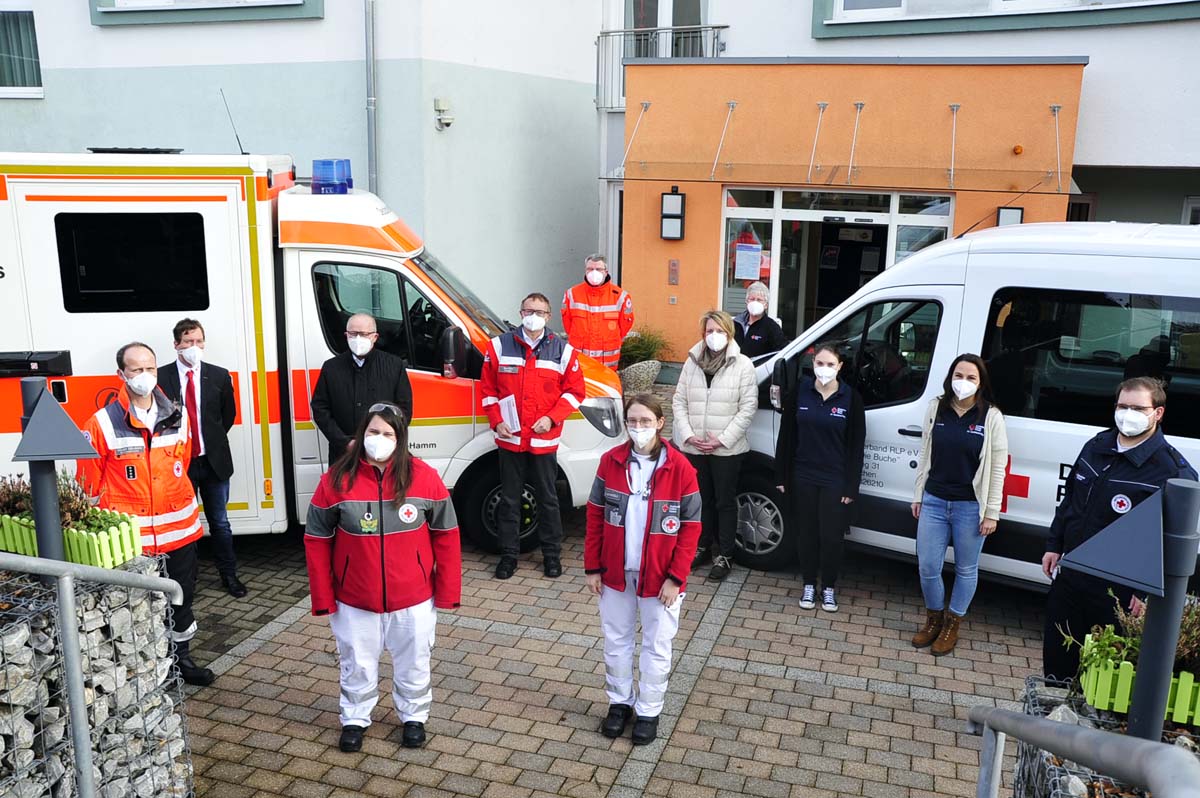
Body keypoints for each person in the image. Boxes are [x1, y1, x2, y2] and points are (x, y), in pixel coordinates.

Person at [304, 403, 461, 752]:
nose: (379, 439)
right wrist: (323, 597)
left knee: (415, 660)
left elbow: (447, 534)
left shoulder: (425, 477)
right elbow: (316, 541)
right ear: (361, 435)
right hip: (355, 598)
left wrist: (447, 591)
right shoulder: (335, 481)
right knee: (355, 663)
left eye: (388, 433)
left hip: (415, 597)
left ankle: (414, 717)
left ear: (400, 438)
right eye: (373, 432)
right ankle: (355, 719)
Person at [1041, 377, 1196, 681]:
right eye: (1123, 406)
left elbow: (1171, 541)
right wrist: (1054, 543)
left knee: (1103, 675)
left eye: (1138, 408)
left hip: (1117, 592)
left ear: (1158, 413)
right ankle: (1051, 718)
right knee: (1058, 662)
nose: (1128, 413)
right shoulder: (1096, 446)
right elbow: (1070, 500)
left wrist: (1144, 590)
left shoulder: (1173, 471)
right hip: (1071, 576)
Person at [77, 342, 214, 686]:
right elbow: (88, 488)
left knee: (181, 598)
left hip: (179, 532)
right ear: (120, 375)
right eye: (136, 370)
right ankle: (150, 667)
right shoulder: (102, 424)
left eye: (150, 368)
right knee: (138, 605)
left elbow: (182, 468)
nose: (144, 376)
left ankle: (181, 660)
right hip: (131, 541)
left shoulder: (178, 416)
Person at [585, 394, 701, 745]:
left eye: (645, 421)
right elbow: (593, 516)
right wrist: (593, 568)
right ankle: (619, 704)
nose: (638, 428)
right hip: (616, 574)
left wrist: (676, 578)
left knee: (657, 645)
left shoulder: (681, 468)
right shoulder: (610, 462)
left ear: (660, 423)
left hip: (661, 579)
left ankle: (649, 710)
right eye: (632, 421)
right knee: (616, 642)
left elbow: (691, 527)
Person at [482, 292, 585, 580]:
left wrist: (551, 418)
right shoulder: (499, 346)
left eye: (539, 312)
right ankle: (508, 556)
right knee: (510, 499)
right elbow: (488, 390)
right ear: (520, 312)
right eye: (529, 310)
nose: (533, 316)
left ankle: (551, 556)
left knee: (549, 499)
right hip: (510, 437)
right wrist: (496, 421)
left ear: (548, 316)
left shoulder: (562, 351)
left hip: (543, 439)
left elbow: (576, 392)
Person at [910, 354, 1008, 657]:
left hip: (969, 506)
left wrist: (992, 511)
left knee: (966, 569)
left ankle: (952, 624)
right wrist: (918, 494)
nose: (963, 382)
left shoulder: (991, 416)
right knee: (928, 565)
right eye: (958, 375)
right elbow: (925, 452)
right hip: (935, 500)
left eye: (971, 378)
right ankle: (934, 619)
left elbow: (997, 467)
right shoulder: (936, 407)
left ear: (981, 383)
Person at [156, 318, 246, 598]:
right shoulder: (161, 377)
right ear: (176, 345)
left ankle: (229, 575)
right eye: (187, 342)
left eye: (198, 341)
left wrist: (209, 441)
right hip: (179, 465)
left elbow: (226, 416)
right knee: (184, 523)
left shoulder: (219, 375)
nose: (194, 347)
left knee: (220, 522)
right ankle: (187, 578)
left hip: (213, 461)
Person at [774, 342, 865, 613]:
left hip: (835, 478)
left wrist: (851, 485)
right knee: (807, 534)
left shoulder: (851, 398)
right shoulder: (799, 393)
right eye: (819, 364)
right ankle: (808, 584)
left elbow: (857, 445)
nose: (824, 369)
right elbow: (787, 437)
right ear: (812, 366)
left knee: (831, 536)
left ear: (840, 367)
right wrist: (782, 474)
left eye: (830, 364)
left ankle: (828, 587)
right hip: (803, 475)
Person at [671, 310, 757, 581]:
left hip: (727, 450)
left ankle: (726, 555)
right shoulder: (691, 362)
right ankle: (702, 546)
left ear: (729, 333)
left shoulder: (742, 364)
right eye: (709, 331)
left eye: (720, 331)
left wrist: (722, 439)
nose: (714, 336)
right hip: (695, 447)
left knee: (724, 502)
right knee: (701, 501)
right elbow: (678, 401)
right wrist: (688, 435)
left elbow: (747, 408)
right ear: (702, 334)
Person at [311, 313, 413, 453]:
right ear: (346, 335)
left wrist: (385, 439)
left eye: (364, 334)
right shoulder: (331, 368)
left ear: (375, 337)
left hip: (385, 451)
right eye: (353, 334)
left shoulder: (394, 365)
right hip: (343, 454)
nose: (358, 339)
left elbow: (404, 408)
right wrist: (344, 442)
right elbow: (320, 408)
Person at [560, 254, 634, 370]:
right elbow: (567, 324)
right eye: (590, 269)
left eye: (598, 269)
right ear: (585, 270)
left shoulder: (620, 296)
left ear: (606, 271)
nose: (594, 272)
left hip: (607, 362)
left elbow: (625, 326)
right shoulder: (572, 294)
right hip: (580, 359)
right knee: (578, 387)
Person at [733, 281, 787, 360]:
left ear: (766, 305)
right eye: (752, 299)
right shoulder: (736, 323)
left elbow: (780, 353)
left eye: (759, 300)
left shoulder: (772, 328)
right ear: (747, 302)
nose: (755, 302)